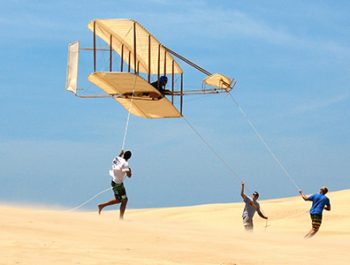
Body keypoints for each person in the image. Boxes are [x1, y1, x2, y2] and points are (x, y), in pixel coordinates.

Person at [98, 150, 132, 220]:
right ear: (129, 158)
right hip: (118, 185)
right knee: (124, 200)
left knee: (119, 200)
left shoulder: (117, 158)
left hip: (113, 182)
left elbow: (118, 159)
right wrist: (129, 170)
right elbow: (129, 175)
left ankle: (102, 205)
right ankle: (121, 218)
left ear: (123, 155)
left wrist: (120, 153)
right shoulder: (125, 164)